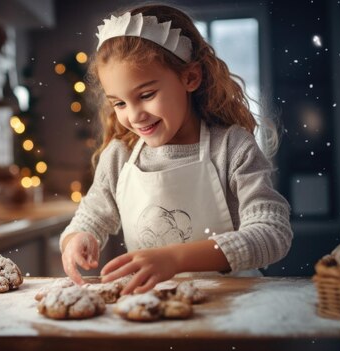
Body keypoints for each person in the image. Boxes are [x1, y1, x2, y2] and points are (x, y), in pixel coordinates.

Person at [60, 3, 293, 295]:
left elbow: (273, 232)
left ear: (190, 78)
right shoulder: (119, 157)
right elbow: (91, 216)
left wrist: (175, 259)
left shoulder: (232, 148)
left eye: (146, 95)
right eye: (119, 103)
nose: (133, 115)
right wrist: (77, 238)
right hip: (157, 309)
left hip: (234, 307)